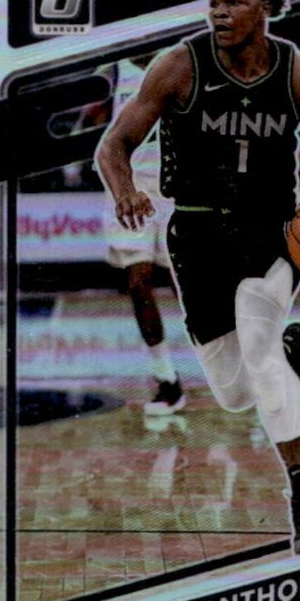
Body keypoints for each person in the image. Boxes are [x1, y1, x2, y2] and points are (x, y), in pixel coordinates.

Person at [95, 0, 300, 554]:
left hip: (270, 233)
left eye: (234, 1)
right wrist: (125, 189)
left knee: (260, 354)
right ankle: (290, 357)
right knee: (236, 394)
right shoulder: (178, 66)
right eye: (213, 1)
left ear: (265, 6)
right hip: (195, 237)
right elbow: (114, 144)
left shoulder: (299, 73)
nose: (219, 11)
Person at [93, 57, 186, 415]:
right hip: (129, 183)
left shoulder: (180, 60)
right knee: (138, 279)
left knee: (188, 285)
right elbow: (93, 116)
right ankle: (166, 378)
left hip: (176, 184)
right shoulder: (113, 68)